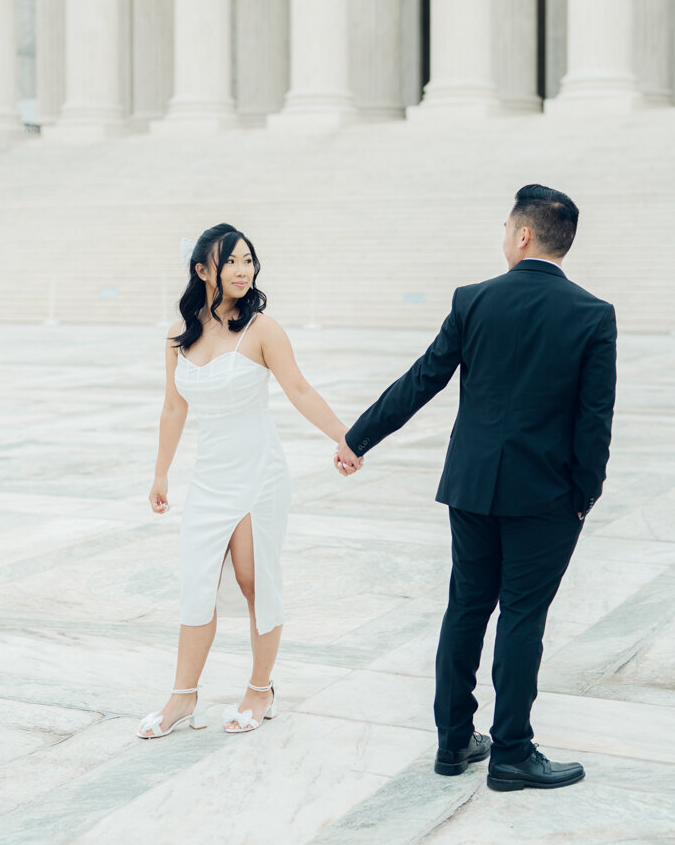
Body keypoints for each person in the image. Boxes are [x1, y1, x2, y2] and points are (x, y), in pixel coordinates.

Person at [335, 185, 616, 791]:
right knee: (521, 616)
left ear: (522, 235)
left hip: (471, 487)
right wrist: (584, 495)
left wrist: (359, 438)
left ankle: (454, 740)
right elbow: (595, 422)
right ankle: (512, 751)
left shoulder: (474, 301)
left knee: (466, 607)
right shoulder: (593, 315)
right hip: (546, 496)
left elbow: (422, 379)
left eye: (505, 228)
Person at [138, 223, 348, 738]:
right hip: (209, 477)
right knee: (196, 584)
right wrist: (161, 472)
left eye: (248, 260)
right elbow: (172, 407)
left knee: (256, 581)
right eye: (230, 261)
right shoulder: (178, 333)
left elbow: (298, 389)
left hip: (259, 474)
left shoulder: (262, 330)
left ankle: (260, 687)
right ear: (203, 270)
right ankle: (182, 698)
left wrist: (346, 438)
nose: (241, 270)